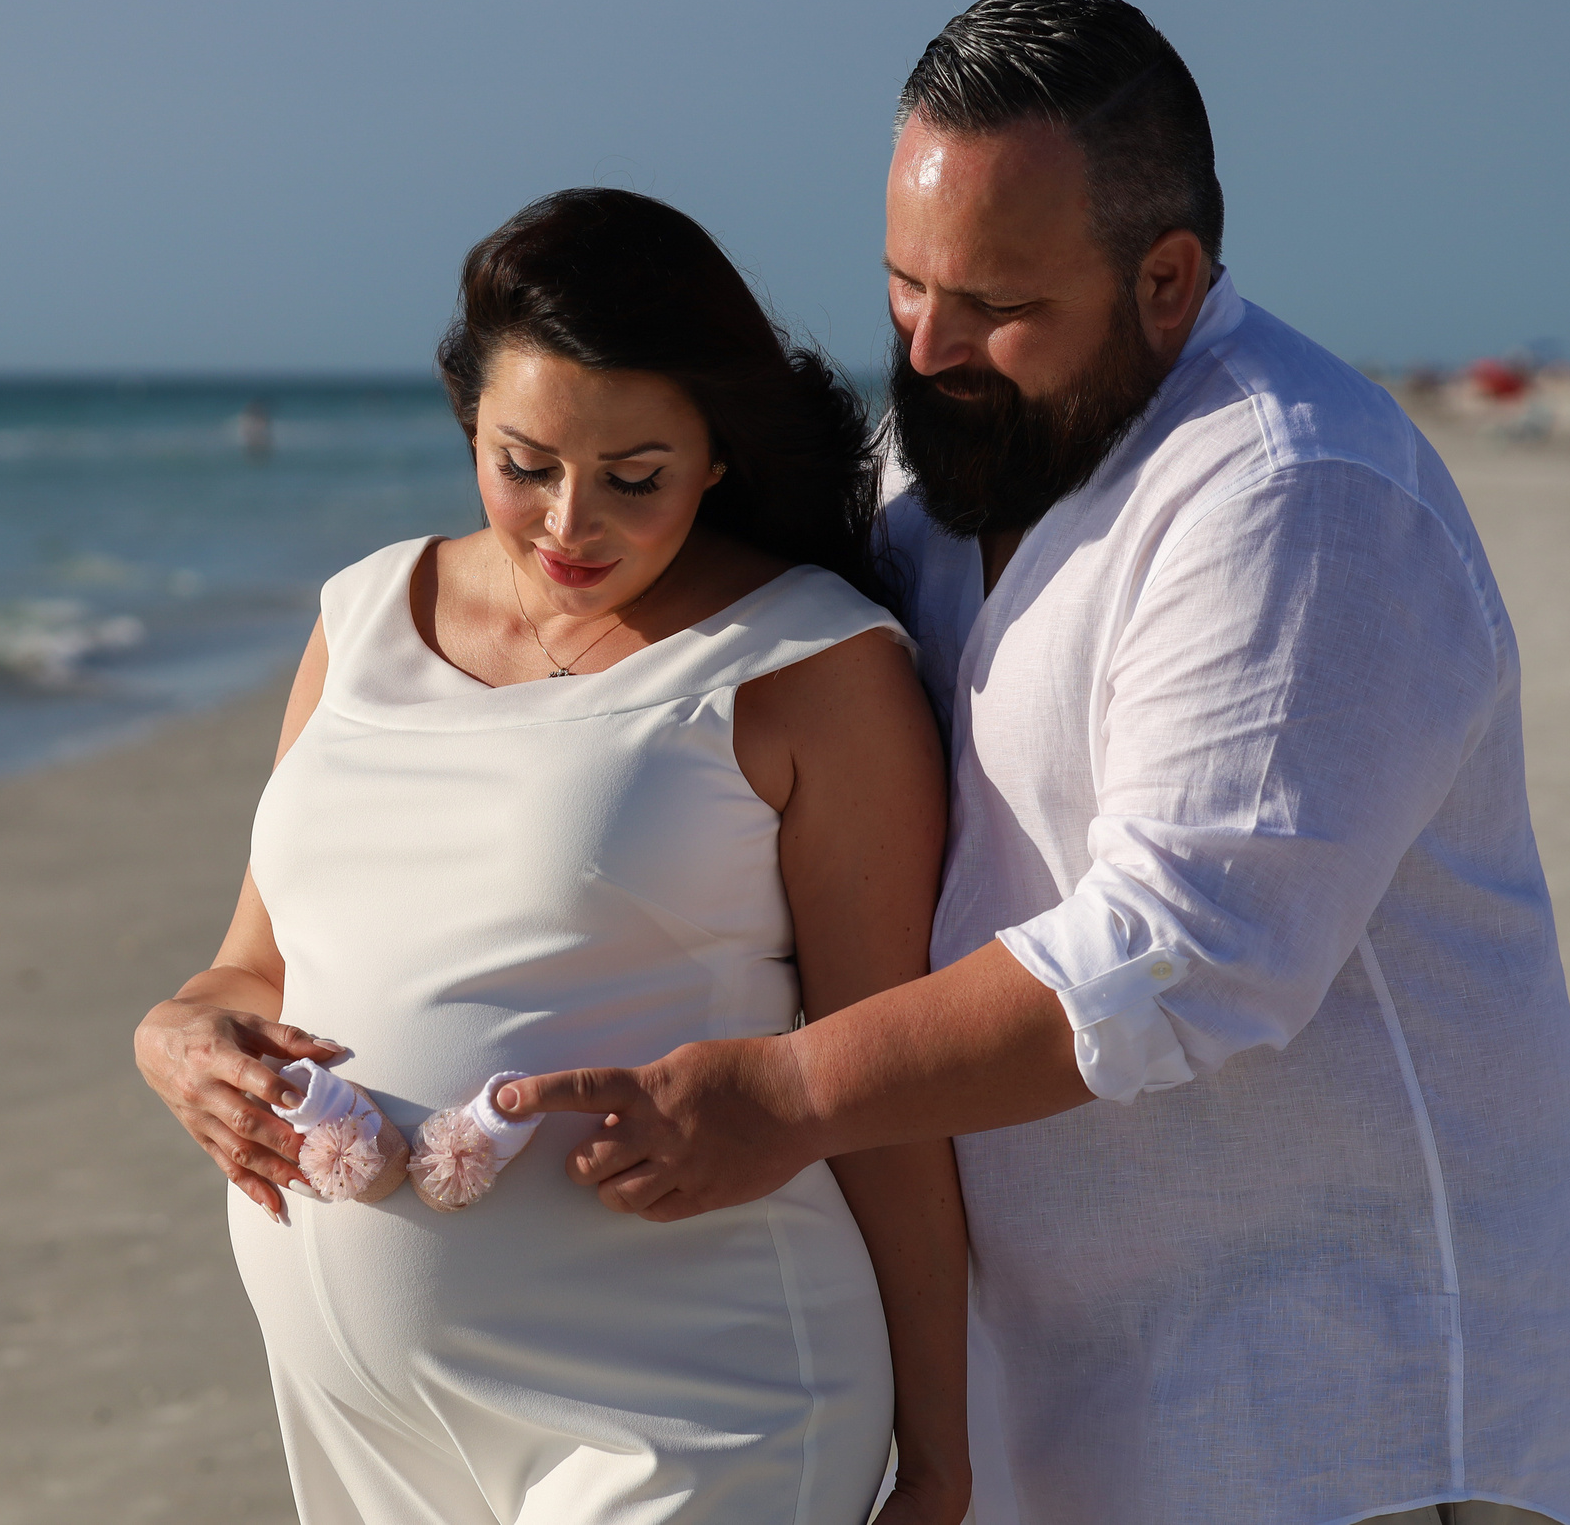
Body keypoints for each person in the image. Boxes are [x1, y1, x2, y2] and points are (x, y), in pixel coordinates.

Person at [501, 0, 1570, 1525]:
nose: (933, 343)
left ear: (1166, 277)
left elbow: (1183, 950)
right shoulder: (939, 457)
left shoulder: (1294, 494)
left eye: (996, 305)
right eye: (905, 285)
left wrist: (788, 1093)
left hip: (1340, 1420)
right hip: (1059, 1410)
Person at [134, 189, 974, 1525]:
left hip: (696, 1401)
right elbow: (253, 968)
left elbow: (880, 1086)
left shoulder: (811, 666)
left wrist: (938, 1452)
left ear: (713, 454)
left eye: (634, 478)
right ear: (472, 420)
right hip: (368, 1427)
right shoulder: (363, 618)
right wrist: (175, 1038)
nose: (570, 523)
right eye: (525, 464)